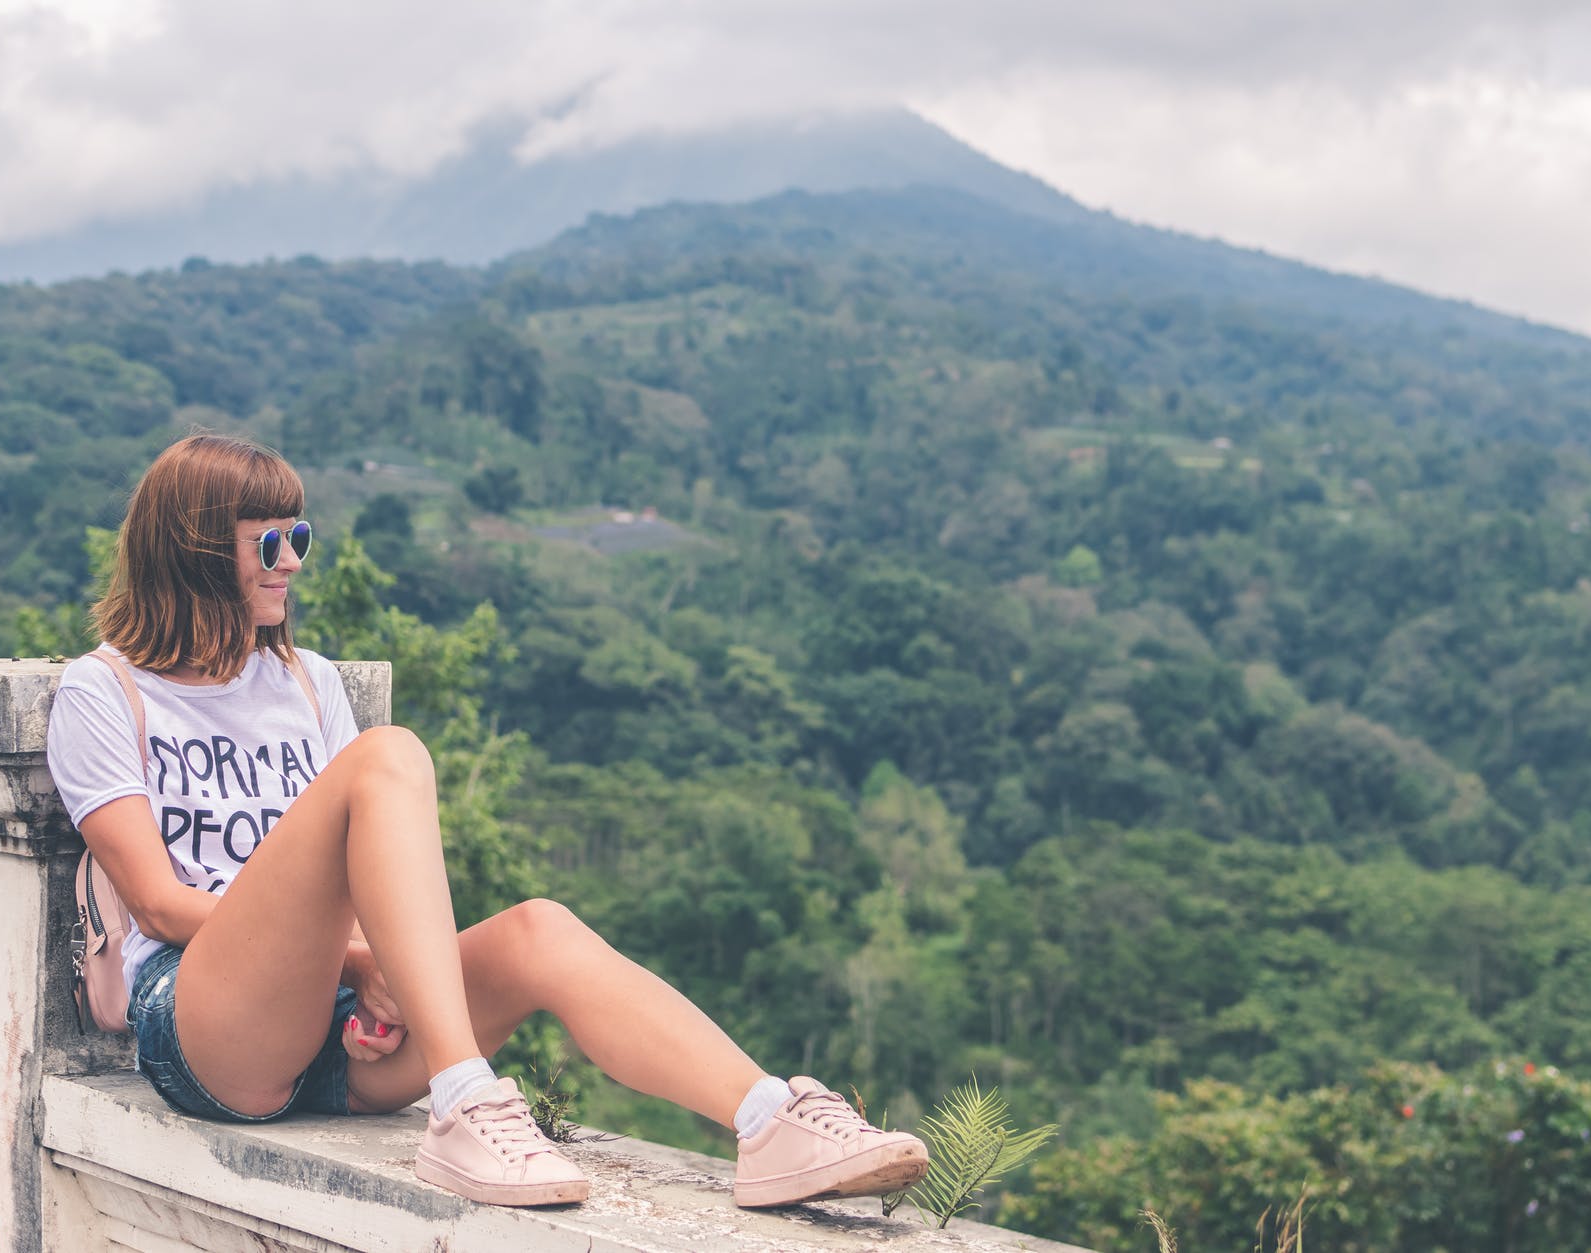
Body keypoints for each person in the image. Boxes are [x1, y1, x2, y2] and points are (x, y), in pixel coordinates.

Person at [45, 432, 928, 1209]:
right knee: (389, 756)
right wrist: (364, 958)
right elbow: (158, 904)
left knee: (540, 930)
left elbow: (362, 880)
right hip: (208, 1026)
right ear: (195, 551)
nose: (292, 562)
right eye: (269, 542)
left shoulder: (306, 681)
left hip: (339, 1023)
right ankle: (466, 1099)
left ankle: (768, 1119)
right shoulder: (108, 690)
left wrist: (378, 988)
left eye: (300, 537)